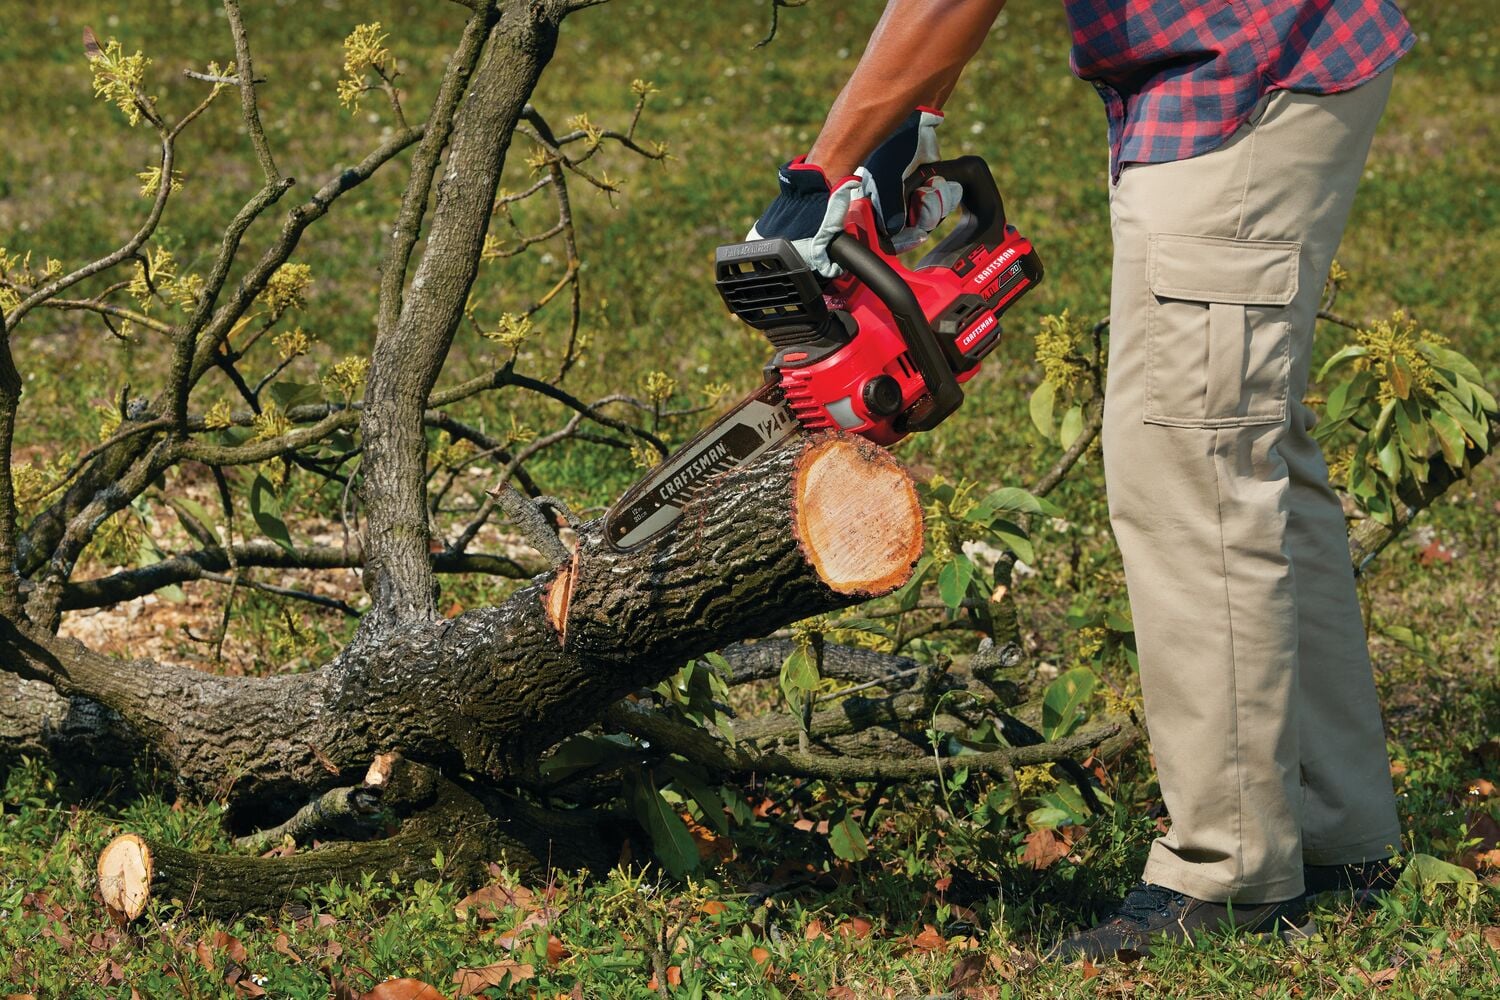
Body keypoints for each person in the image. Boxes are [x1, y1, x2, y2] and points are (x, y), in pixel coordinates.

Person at [748, 0, 1415, 960]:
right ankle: (1334, 828)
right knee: (1242, 445)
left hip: (1238, 81)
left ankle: (1229, 874)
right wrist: (896, 138)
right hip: (1280, 59)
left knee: (1190, 461)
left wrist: (824, 173)